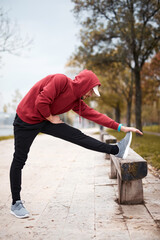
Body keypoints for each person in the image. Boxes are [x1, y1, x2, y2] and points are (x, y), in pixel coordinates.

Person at [10, 69, 142, 219]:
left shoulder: (76, 102)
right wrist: (51, 117)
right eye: (91, 91)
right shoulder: (61, 81)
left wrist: (121, 127)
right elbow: (41, 101)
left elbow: (95, 115)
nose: (91, 95)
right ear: (84, 85)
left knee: (77, 136)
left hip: (46, 119)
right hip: (26, 119)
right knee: (19, 159)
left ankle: (116, 150)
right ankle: (16, 203)